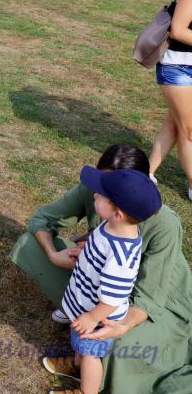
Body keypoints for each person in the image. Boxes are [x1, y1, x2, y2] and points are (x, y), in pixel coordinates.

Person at [9, 144, 192, 394]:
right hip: (99, 283)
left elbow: (149, 297)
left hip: (153, 301)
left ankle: (88, 385)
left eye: (106, 189)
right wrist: (55, 255)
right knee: (30, 246)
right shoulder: (97, 188)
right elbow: (42, 219)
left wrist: (122, 325)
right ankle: (81, 362)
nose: (97, 192)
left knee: (118, 342)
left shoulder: (165, 224)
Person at [55, 166, 161, 394]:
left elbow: (112, 299)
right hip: (85, 308)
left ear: (118, 213)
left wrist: (92, 317)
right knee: (82, 346)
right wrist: (87, 254)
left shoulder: (120, 258)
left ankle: (87, 390)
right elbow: (100, 250)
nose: (95, 194)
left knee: (91, 355)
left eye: (101, 195)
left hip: (98, 318)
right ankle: (76, 366)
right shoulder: (112, 226)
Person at [149, 0, 192, 201]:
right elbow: (178, 30)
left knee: (175, 123)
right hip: (178, 66)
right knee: (189, 129)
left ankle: (146, 173)